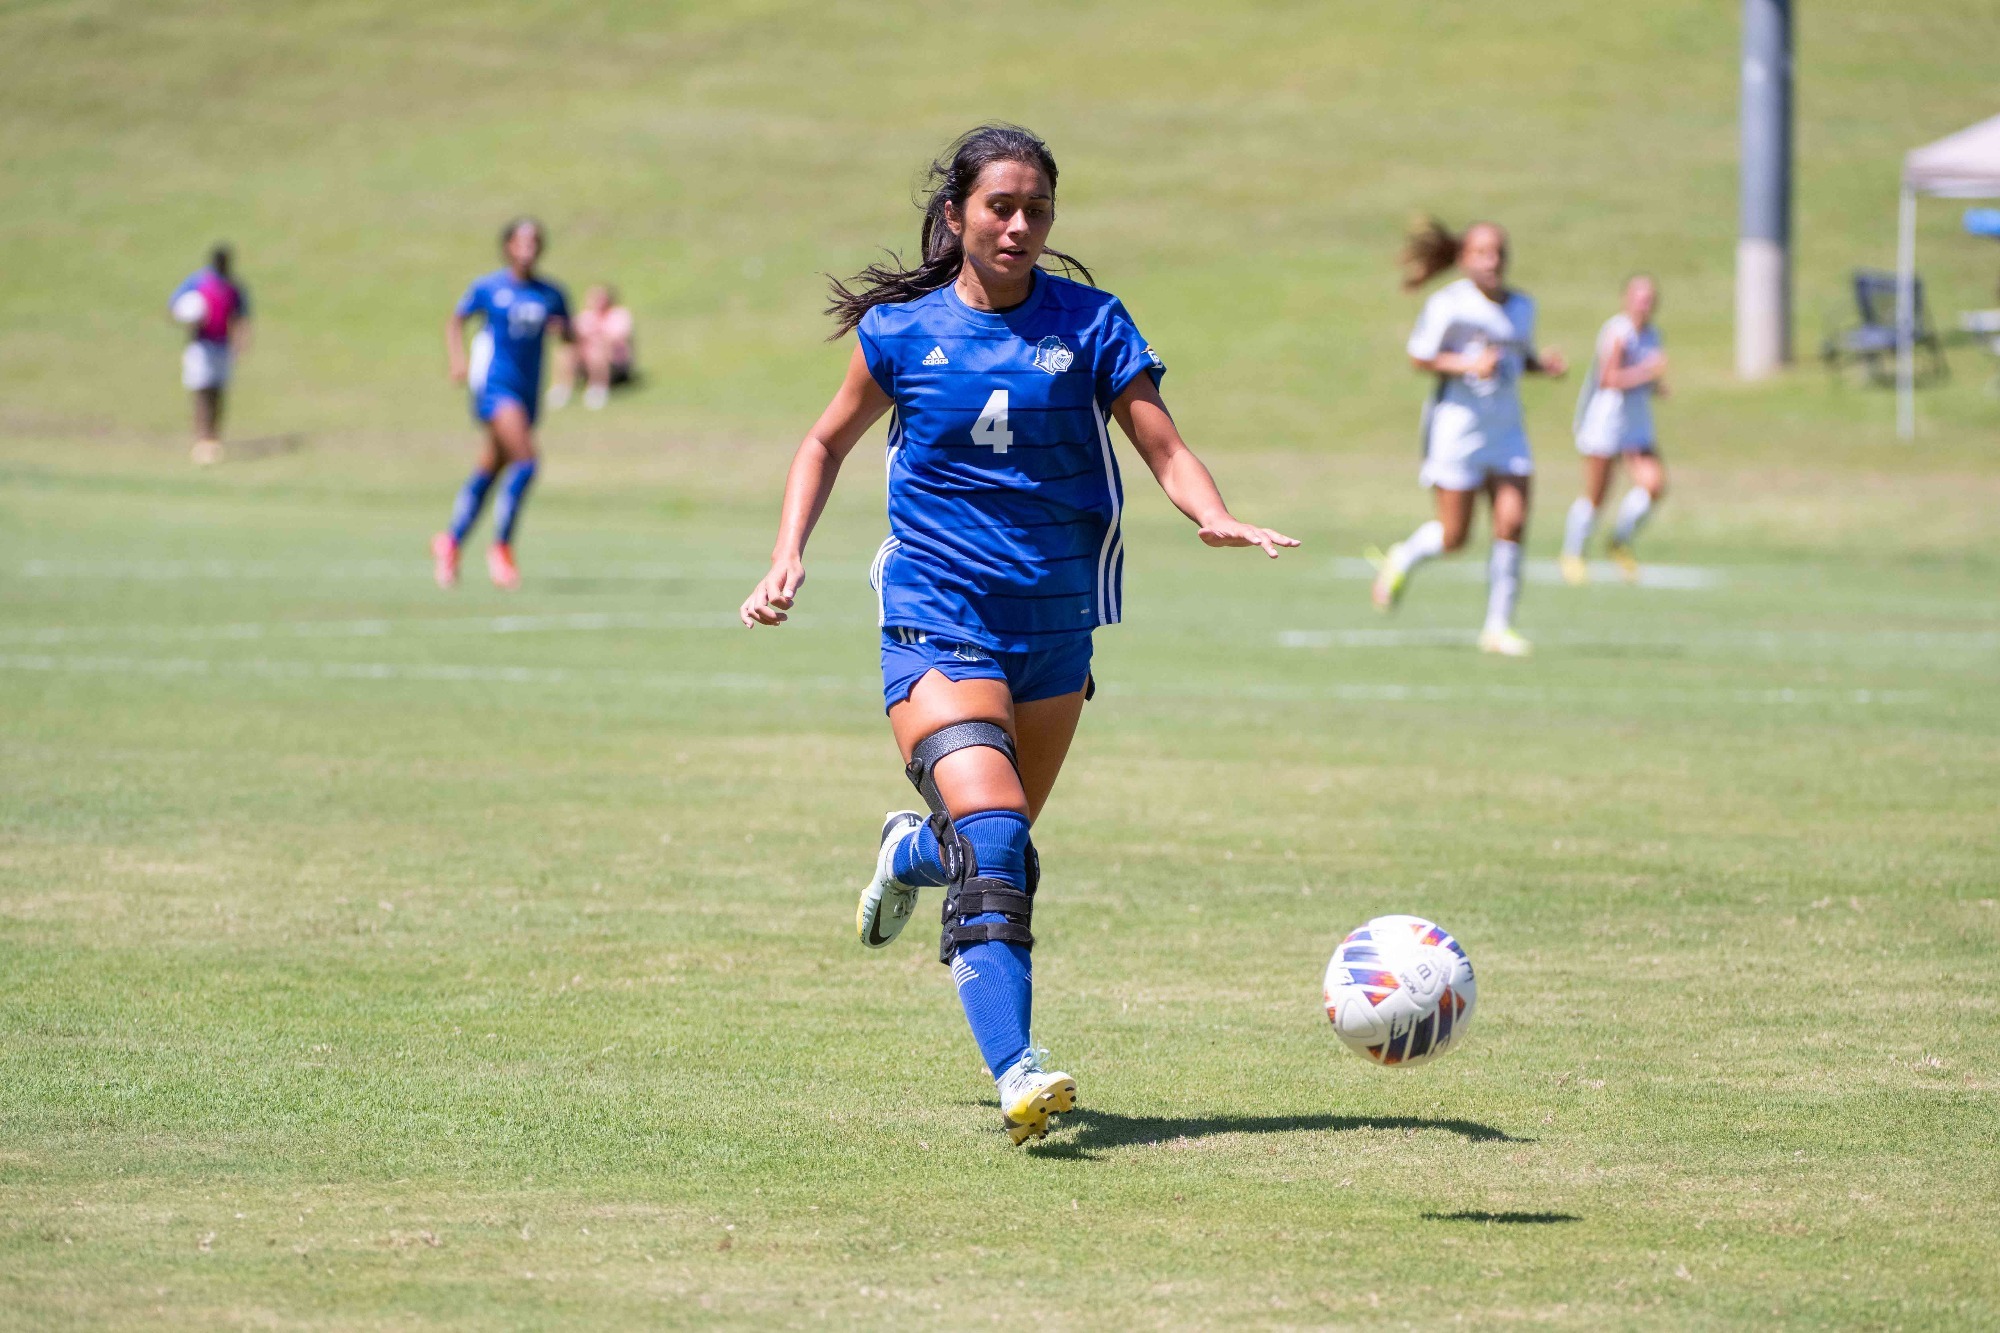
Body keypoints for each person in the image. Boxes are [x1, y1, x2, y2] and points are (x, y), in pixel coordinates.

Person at [737, 125, 1297, 1145]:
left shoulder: (1091, 322)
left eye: (1036, 207)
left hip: (1054, 629)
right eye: (999, 205)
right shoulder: (902, 334)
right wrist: (787, 554)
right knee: (995, 845)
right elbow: (822, 442)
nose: (1019, 224)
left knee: (996, 841)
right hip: (935, 616)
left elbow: (1161, 443)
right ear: (955, 215)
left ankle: (908, 849)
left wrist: (1207, 510)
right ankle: (1018, 1069)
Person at [1368, 218, 1566, 657]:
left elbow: (1517, 357)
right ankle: (1403, 557)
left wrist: (1542, 366)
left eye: (1498, 252)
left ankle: (1497, 628)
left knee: (1512, 522)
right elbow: (1420, 357)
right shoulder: (1449, 304)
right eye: (1482, 252)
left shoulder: (1522, 306)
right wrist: (1466, 366)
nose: (1492, 261)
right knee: (1455, 537)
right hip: (1456, 429)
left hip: (1507, 430)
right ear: (1464, 258)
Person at [433, 218, 572, 590]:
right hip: (495, 388)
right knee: (527, 463)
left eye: (534, 241)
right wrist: (457, 361)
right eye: (520, 241)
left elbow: (568, 335)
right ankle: (502, 549)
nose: (527, 247)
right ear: (508, 246)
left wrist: (570, 339)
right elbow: (455, 321)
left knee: (492, 469)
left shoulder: (551, 293)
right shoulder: (488, 287)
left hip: (527, 393)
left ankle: (450, 542)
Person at [1562, 275, 1669, 584]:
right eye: (1639, 297)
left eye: (1649, 298)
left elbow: (1642, 379)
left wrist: (1656, 385)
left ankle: (1619, 540)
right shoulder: (1617, 332)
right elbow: (1610, 379)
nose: (1644, 304)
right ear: (1626, 299)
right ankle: (1573, 553)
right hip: (1606, 422)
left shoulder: (1653, 336)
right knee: (1597, 495)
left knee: (1654, 485)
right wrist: (1646, 373)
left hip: (1637, 424)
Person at [168, 245, 251, 466]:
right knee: (201, 392)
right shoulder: (198, 282)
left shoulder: (233, 287)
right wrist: (187, 318)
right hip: (200, 345)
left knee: (218, 392)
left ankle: (213, 439)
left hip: (222, 346)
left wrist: (240, 344)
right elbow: (175, 308)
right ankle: (201, 440)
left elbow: (242, 316)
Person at [549, 284, 635, 411]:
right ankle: (563, 388)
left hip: (614, 361)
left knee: (597, 348)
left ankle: (598, 388)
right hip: (586, 359)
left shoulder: (618, 315)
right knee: (568, 349)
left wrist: (593, 337)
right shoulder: (586, 317)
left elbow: (617, 338)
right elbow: (575, 335)